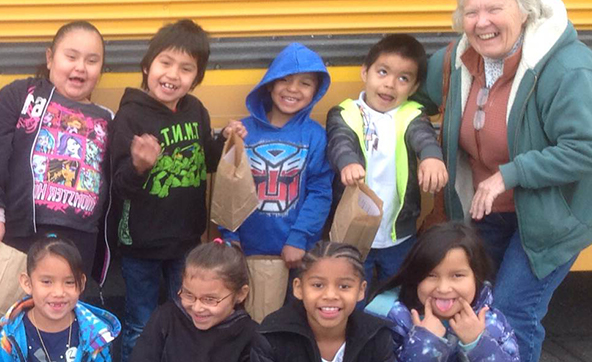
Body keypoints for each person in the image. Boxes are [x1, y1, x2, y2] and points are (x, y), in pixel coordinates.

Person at [417, 1, 592, 360]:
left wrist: (508, 176)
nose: (482, 22)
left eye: (495, 8)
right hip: (485, 212)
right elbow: (412, 104)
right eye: (471, 12)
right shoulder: (454, 62)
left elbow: (585, 147)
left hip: (551, 217)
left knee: (512, 311)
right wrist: (428, 150)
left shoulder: (565, 66)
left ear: (527, 11)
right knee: (471, 306)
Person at [110, 19, 248, 359]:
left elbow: (208, 162)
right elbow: (117, 185)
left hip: (187, 240)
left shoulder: (196, 110)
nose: (173, 75)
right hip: (140, 243)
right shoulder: (129, 117)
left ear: (197, 78)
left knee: (188, 315)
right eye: (165, 63)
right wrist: (140, 166)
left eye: (186, 69)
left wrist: (226, 140)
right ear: (147, 66)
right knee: (142, 321)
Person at [0, 21, 114, 282]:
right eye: (71, 56)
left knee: (68, 312)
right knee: (11, 312)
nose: (80, 67)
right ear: (50, 58)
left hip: (82, 236)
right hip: (22, 230)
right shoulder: (22, 95)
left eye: (92, 60)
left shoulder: (108, 119)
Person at [219, 42, 333, 319]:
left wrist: (299, 238)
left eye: (305, 83)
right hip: (244, 250)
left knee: (292, 320)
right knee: (243, 319)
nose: (293, 89)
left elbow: (320, 192)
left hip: (295, 253)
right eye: (284, 79)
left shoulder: (315, 136)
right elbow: (227, 189)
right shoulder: (244, 131)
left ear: (315, 92)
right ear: (268, 85)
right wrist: (230, 237)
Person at [325, 34, 447, 292]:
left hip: (399, 234)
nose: (390, 84)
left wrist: (432, 156)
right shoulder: (346, 112)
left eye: (403, 78)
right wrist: (347, 162)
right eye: (382, 72)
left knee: (399, 294)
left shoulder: (411, 114)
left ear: (414, 88)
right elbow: (340, 140)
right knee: (355, 293)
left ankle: (393, 333)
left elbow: (423, 136)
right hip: (354, 233)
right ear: (365, 73)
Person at [365, 222, 518, 361]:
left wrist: (478, 344)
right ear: (415, 275)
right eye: (431, 275)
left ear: (477, 277)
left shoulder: (492, 323)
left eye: (457, 275)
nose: (443, 289)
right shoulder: (389, 319)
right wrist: (425, 344)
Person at [253, 242, 397, 362]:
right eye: (318, 285)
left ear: (361, 290)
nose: (330, 295)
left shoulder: (376, 337)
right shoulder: (273, 336)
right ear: (298, 288)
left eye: (344, 286)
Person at [0, 236, 121, 362]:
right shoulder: (9, 336)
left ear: (81, 284)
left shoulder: (97, 336)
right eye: (47, 281)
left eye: (69, 282)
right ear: (27, 283)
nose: (59, 292)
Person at [131, 240, 261, 362]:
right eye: (189, 295)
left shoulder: (251, 337)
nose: (197, 307)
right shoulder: (166, 318)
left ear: (240, 294)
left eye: (210, 299)